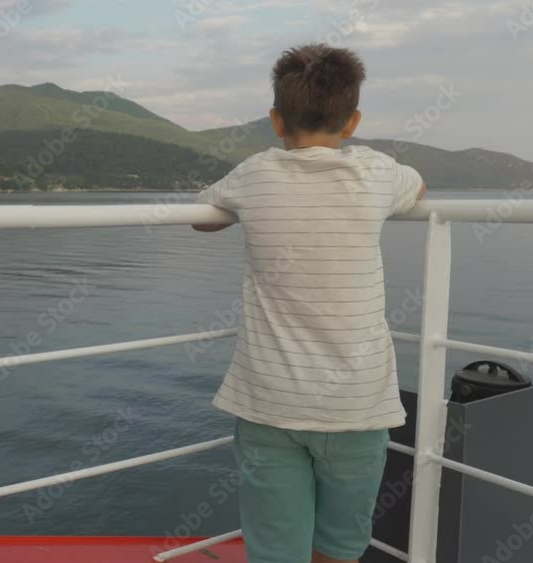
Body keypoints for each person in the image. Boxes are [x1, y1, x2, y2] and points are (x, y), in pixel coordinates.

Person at [192, 43, 426, 563]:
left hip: (269, 404)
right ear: (353, 121)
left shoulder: (253, 174)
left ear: (276, 120)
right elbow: (418, 186)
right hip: (357, 408)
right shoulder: (375, 172)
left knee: (276, 548)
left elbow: (200, 217)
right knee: (341, 546)